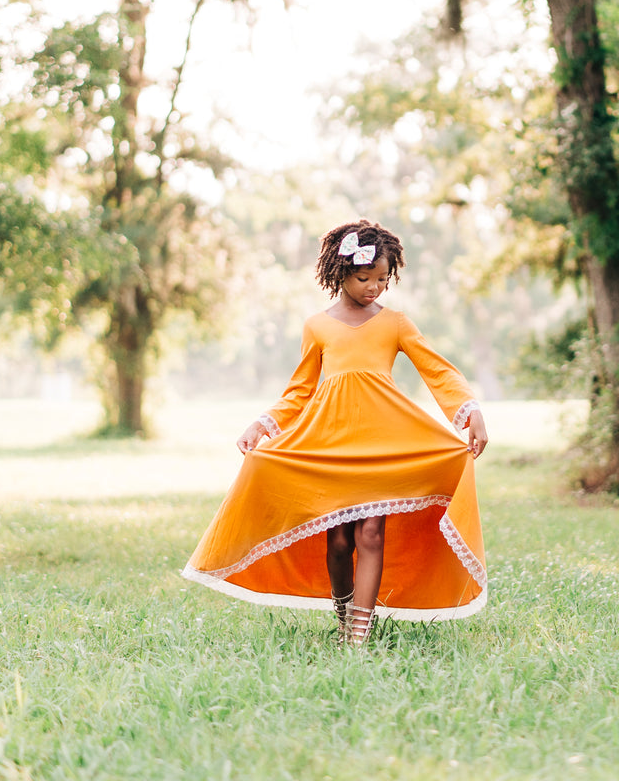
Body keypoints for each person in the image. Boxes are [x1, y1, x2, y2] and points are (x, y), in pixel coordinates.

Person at [182, 219, 489, 647]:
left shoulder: (396, 323)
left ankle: (358, 635)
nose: (374, 287)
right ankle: (344, 613)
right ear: (340, 272)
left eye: (383, 279)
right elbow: (300, 390)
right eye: (365, 277)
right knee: (340, 538)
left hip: (384, 446)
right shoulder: (318, 327)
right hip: (330, 444)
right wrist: (263, 424)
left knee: (370, 532)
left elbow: (436, 370)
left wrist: (468, 411)